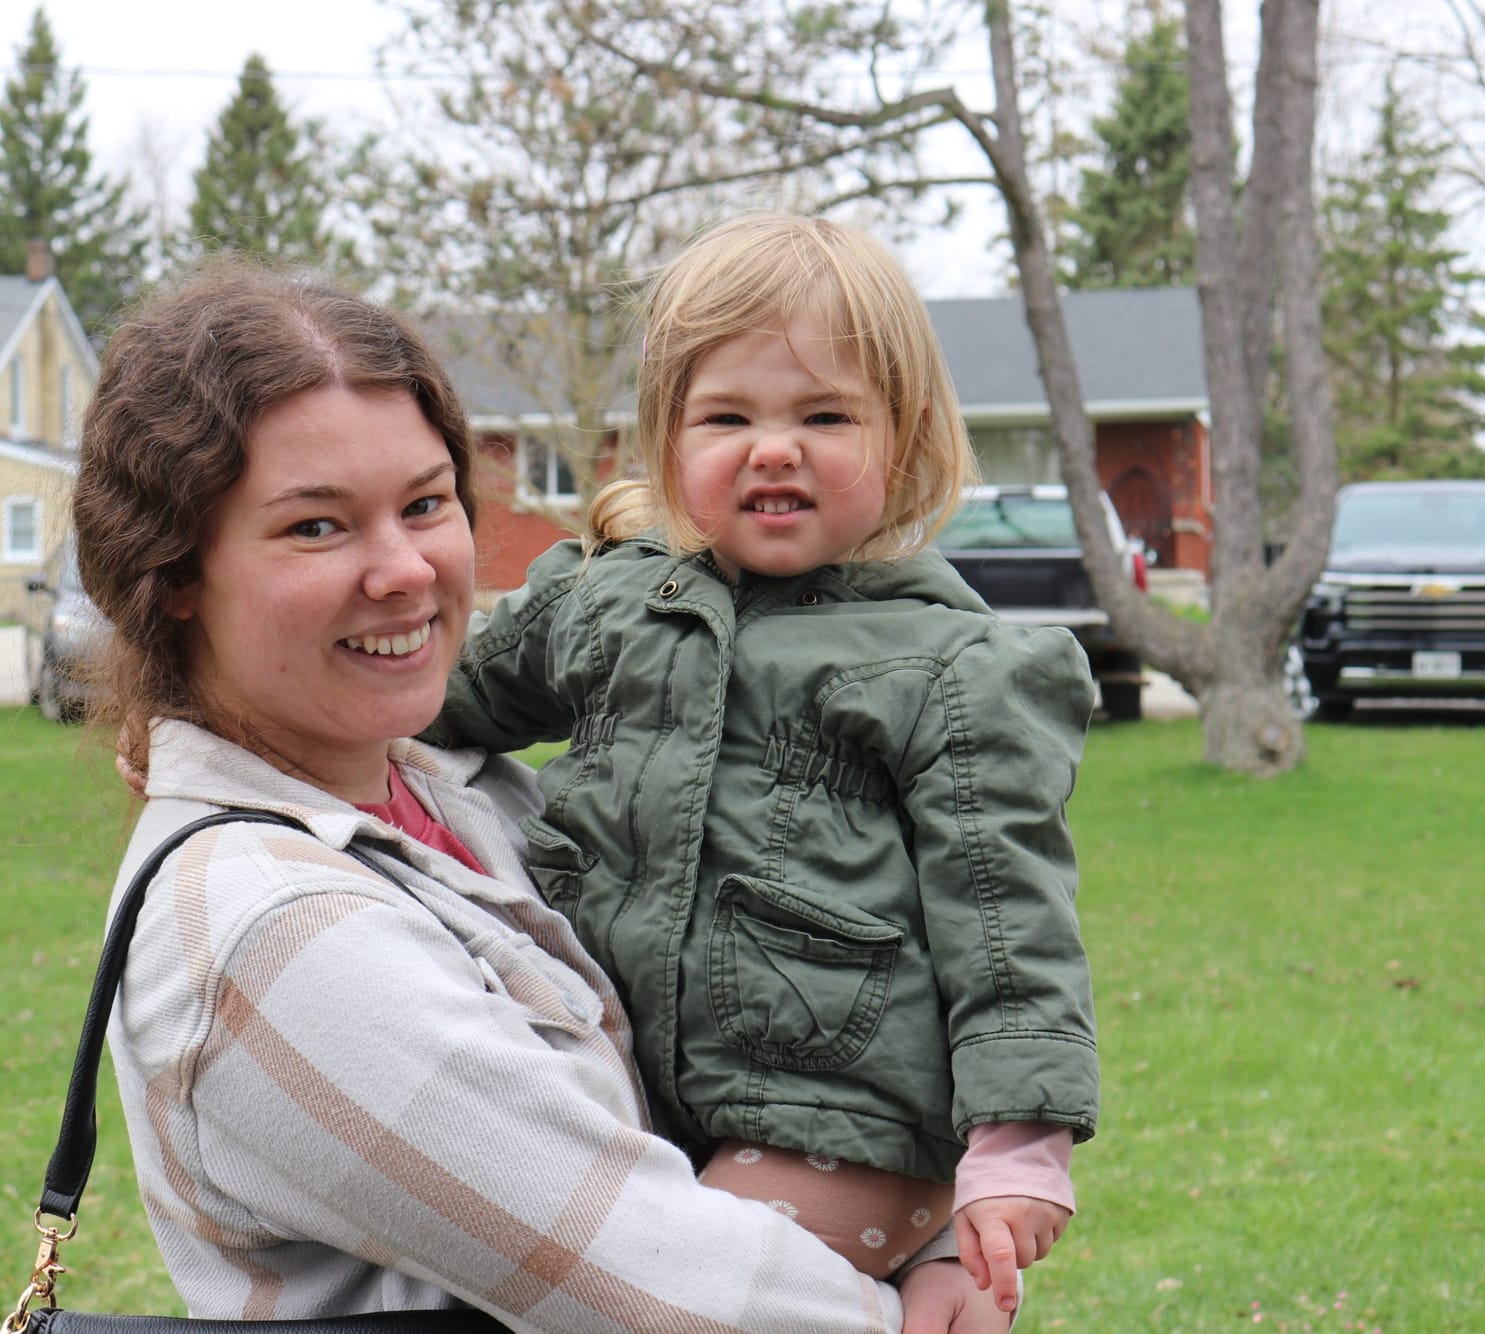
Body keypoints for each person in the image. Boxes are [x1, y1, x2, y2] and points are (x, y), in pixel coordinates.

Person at [74, 259, 1006, 1331]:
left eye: (425, 504)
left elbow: (774, 1029)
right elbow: (666, 1286)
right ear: (172, 575)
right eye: (316, 527)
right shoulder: (273, 930)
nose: (405, 571)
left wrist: (924, 1230)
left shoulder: (471, 796)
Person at [425, 214, 1100, 1315]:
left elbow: (1003, 912)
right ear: (668, 437)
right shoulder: (606, 598)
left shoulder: (948, 663)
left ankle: (928, 1257)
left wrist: (1016, 1143)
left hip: (845, 1125)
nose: (772, 446)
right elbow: (444, 698)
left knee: (674, 1295)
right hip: (638, 1098)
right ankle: (923, 1276)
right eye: (726, 415)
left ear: (906, 434)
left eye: (823, 415)